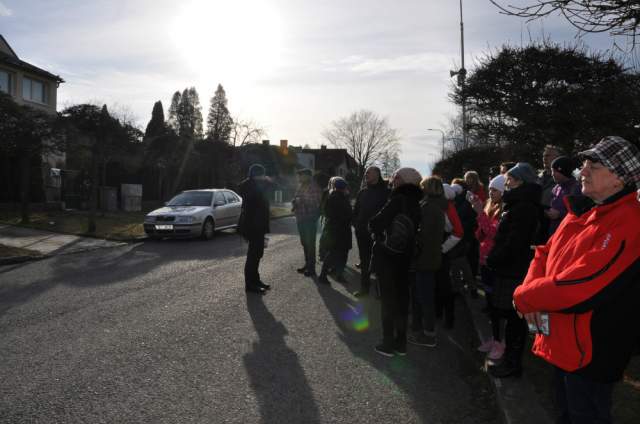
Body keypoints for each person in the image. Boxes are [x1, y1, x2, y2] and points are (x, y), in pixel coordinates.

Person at [513, 136, 640, 423]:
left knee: (585, 414)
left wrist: (524, 297)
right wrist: (529, 292)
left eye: (594, 166)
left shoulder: (629, 220)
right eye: (584, 164)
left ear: (620, 178)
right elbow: (544, 253)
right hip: (566, 343)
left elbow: (580, 286)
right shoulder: (584, 210)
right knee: (565, 410)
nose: (582, 171)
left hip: (592, 351)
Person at [486, 162, 542, 378]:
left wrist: (495, 258)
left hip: (513, 269)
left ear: (521, 181)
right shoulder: (518, 203)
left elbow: (515, 242)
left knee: (514, 319)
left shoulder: (523, 207)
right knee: (511, 318)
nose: (506, 183)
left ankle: (512, 364)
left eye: (510, 179)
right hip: (510, 267)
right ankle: (510, 360)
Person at [369, 167, 422, 357]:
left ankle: (387, 343)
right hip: (406, 257)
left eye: (396, 177)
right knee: (402, 299)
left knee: (388, 300)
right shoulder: (417, 202)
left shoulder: (397, 199)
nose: (393, 179)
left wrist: (376, 230)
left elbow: (376, 222)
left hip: (388, 256)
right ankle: (401, 343)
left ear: (404, 180)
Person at [471, 174, 506, 361]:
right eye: (490, 189)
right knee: (491, 304)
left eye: (495, 190)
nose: (491, 193)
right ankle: (495, 338)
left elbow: (494, 233)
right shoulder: (489, 206)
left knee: (498, 304)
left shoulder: (504, 210)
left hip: (495, 262)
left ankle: (501, 342)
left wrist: (480, 214)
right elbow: (482, 233)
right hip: (484, 261)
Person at [408, 176, 446, 348]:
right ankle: (421, 328)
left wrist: (411, 236)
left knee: (425, 298)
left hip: (424, 259)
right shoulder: (436, 206)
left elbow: (424, 235)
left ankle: (429, 335)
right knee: (422, 296)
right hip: (429, 257)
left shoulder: (430, 208)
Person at [352, 166, 390, 297]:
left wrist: (382, 229)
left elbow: (389, 213)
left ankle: (381, 291)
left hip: (379, 234)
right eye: (366, 172)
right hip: (362, 232)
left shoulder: (386, 192)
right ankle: (364, 288)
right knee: (364, 260)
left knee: (381, 262)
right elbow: (356, 211)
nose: (366, 174)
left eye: (369, 172)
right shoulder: (362, 192)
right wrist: (356, 225)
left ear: (377, 174)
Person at [238, 164, 271, 294]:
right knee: (253, 256)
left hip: (259, 226)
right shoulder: (247, 186)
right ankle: (250, 284)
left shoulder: (256, 185)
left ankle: (256, 280)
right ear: (255, 175)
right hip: (252, 226)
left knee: (257, 254)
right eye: (262, 174)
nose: (264, 177)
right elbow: (255, 198)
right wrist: (264, 184)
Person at [318, 177, 353, 285]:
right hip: (340, 230)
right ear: (343, 188)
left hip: (334, 230)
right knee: (340, 254)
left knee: (333, 253)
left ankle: (327, 274)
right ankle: (332, 275)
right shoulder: (340, 198)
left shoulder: (332, 197)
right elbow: (345, 214)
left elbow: (327, 212)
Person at [292, 168, 322, 276]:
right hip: (300, 219)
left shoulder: (314, 187)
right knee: (304, 243)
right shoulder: (301, 186)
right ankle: (307, 264)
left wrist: (301, 200)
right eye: (299, 175)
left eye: (301, 175)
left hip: (310, 219)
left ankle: (312, 268)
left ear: (308, 176)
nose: (299, 177)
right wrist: (294, 201)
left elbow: (316, 202)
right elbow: (296, 198)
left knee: (310, 244)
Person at [546, 156, 581, 236]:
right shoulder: (556, 188)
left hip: (569, 232)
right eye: (552, 171)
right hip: (554, 231)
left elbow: (580, 213)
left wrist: (560, 214)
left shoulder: (577, 188)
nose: (552, 174)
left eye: (555, 171)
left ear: (564, 171)